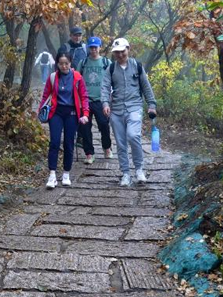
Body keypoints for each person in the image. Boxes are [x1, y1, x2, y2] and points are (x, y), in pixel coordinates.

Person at [101, 38, 158, 186]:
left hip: (134, 107)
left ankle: (139, 169)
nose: (120, 55)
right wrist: (105, 103)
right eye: (117, 52)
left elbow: (146, 86)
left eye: (122, 51)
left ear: (128, 49)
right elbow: (105, 87)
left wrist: (151, 104)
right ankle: (125, 173)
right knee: (120, 143)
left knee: (133, 136)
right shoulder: (111, 69)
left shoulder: (137, 66)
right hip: (116, 110)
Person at [38, 51, 90, 189]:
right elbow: (45, 95)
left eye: (66, 63)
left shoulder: (77, 77)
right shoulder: (53, 77)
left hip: (72, 113)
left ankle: (66, 173)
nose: (64, 66)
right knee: (54, 142)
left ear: (70, 63)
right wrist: (41, 110)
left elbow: (84, 96)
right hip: (56, 113)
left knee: (69, 143)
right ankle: (52, 174)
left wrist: (85, 113)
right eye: (61, 63)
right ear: (57, 64)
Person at [75, 36, 113, 163]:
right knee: (85, 128)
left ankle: (107, 147)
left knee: (104, 125)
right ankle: (89, 153)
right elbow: (77, 80)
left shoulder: (106, 63)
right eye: (91, 47)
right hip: (85, 100)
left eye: (95, 47)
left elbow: (113, 80)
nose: (93, 50)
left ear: (100, 48)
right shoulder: (83, 63)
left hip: (101, 100)